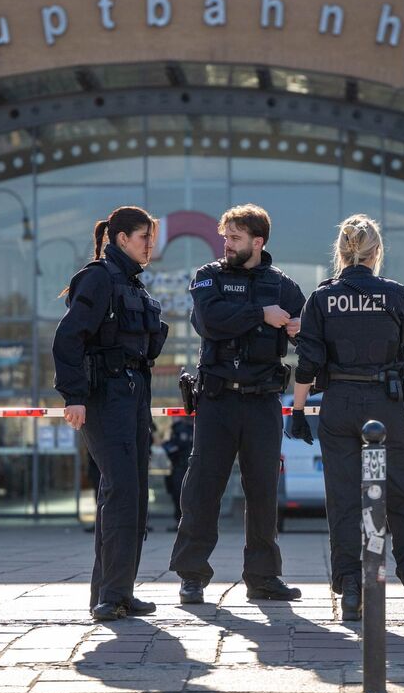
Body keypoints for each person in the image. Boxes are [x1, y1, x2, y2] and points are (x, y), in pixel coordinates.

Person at [290, 215, 404, 621]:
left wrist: (298, 410)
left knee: (343, 500)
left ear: (340, 252)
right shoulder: (394, 294)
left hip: (338, 402)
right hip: (384, 403)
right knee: (402, 496)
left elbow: (306, 362)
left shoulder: (322, 298)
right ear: (377, 252)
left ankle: (352, 592)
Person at [169, 204, 305, 604]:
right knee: (203, 489)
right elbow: (211, 322)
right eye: (225, 237)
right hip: (217, 399)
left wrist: (298, 329)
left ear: (258, 242)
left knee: (263, 491)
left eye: (235, 238)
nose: (226, 244)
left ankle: (263, 578)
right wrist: (262, 314)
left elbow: (308, 335)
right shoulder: (208, 277)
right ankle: (191, 576)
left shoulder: (282, 285)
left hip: (263, 401)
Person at [53, 206, 168, 620]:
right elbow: (68, 338)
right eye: (143, 238)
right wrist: (74, 396)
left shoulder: (134, 284)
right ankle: (111, 596)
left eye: (151, 238)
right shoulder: (99, 277)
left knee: (132, 495)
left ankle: (116, 591)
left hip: (134, 396)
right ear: (121, 239)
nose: (149, 245)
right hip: (106, 397)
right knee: (121, 491)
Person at [163, 416, 194, 530]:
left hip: (190, 467)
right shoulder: (177, 429)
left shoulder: (196, 428)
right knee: (178, 495)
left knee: (192, 496)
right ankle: (180, 522)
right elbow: (169, 446)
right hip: (179, 467)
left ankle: (191, 523)